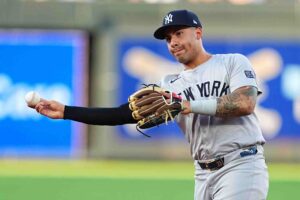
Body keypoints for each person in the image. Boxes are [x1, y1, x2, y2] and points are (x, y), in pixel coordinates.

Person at [33, 9, 269, 200]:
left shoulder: (232, 62)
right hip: (202, 174)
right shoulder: (169, 84)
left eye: (178, 33)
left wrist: (186, 105)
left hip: (241, 164)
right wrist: (66, 111)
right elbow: (120, 114)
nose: (173, 42)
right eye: (168, 39)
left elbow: (244, 103)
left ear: (198, 33)